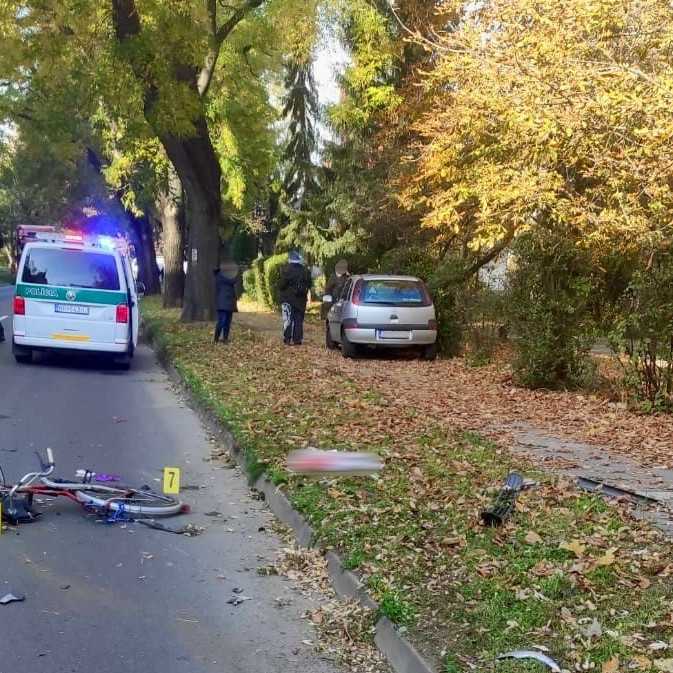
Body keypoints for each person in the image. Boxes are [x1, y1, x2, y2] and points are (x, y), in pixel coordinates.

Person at [279, 250, 312, 346]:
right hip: (301, 299)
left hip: (288, 299)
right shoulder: (305, 270)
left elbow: (281, 285)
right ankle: (297, 339)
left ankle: (287, 339)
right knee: (298, 320)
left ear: (290, 259)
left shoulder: (286, 269)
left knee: (288, 319)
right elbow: (309, 284)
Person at [213, 262, 238, 344]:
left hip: (226, 302)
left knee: (225, 321)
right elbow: (233, 280)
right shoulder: (223, 276)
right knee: (223, 321)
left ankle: (222, 339)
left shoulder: (219, 276)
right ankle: (220, 339)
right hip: (224, 302)